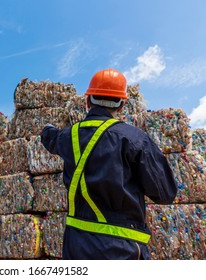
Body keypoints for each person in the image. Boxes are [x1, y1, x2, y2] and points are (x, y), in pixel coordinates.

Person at [40, 68, 178, 260]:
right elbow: (165, 194)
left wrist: (47, 128)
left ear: (88, 101)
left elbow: (49, 138)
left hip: (76, 245)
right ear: (121, 105)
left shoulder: (67, 136)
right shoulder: (135, 139)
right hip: (121, 248)